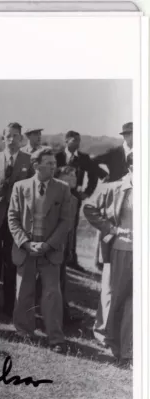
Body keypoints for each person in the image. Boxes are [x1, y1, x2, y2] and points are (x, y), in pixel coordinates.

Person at [8, 147, 73, 353]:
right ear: (36, 166)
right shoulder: (20, 187)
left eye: (55, 163)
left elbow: (66, 221)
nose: (55, 167)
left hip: (50, 251)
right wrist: (26, 243)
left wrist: (48, 245)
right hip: (26, 248)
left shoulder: (63, 189)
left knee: (52, 294)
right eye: (50, 163)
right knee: (24, 291)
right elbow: (13, 218)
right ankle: (24, 332)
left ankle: (55, 338)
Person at [0, 122, 33, 315]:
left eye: (15, 136)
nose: (11, 139)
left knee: (11, 263)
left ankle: (10, 306)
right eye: (8, 136)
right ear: (3, 138)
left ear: (21, 139)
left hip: (16, 219)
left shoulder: (29, 160)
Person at [83, 167, 133, 367]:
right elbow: (89, 208)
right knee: (117, 298)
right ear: (131, 167)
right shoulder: (115, 188)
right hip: (122, 249)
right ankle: (113, 343)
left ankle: (128, 349)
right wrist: (111, 228)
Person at [89, 122, 133, 341]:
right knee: (109, 284)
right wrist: (106, 180)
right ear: (124, 135)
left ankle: (122, 333)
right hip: (114, 218)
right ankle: (103, 330)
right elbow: (92, 162)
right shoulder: (116, 154)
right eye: (129, 134)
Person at [54, 130, 104, 270]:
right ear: (66, 141)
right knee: (55, 225)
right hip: (56, 198)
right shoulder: (57, 157)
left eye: (79, 140)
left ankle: (71, 258)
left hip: (74, 197)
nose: (77, 143)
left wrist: (87, 192)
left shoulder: (84, 158)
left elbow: (94, 175)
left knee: (72, 227)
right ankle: (56, 256)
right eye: (74, 140)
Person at [53, 166, 79, 325]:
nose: (74, 179)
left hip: (63, 245)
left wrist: (69, 248)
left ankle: (63, 314)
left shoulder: (74, 200)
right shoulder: (53, 195)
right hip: (50, 243)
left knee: (61, 279)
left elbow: (71, 229)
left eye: (74, 176)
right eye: (70, 175)